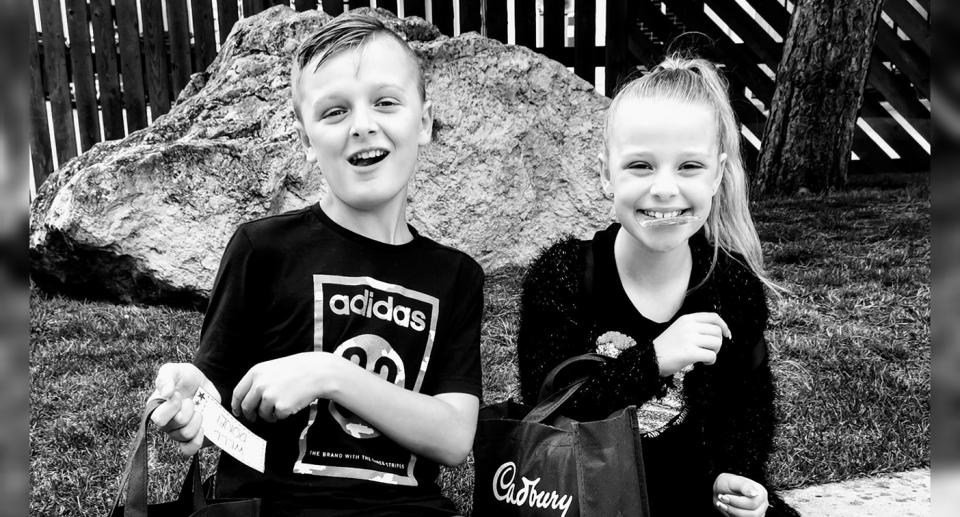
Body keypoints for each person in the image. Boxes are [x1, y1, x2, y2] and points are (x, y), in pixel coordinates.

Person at [147, 14, 483, 516]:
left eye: (386, 102)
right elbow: (211, 387)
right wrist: (189, 400)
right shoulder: (263, 250)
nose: (363, 125)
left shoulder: (455, 276)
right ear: (306, 140)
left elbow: (455, 437)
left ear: (425, 122)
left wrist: (331, 374)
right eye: (334, 112)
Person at [516, 55, 799, 517]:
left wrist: (740, 475)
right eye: (641, 166)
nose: (665, 188)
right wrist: (654, 361)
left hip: (694, 500)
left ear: (717, 174)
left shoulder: (732, 287)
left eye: (689, 166)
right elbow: (549, 408)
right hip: (584, 500)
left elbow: (748, 410)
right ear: (607, 172)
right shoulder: (564, 275)